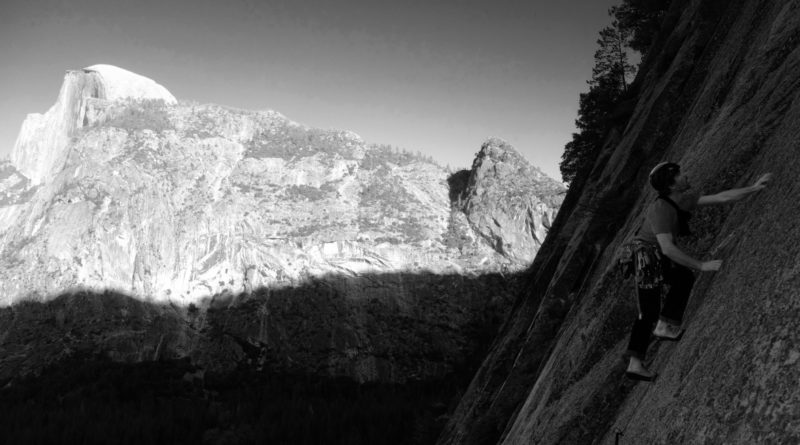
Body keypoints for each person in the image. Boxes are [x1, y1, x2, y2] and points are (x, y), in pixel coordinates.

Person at [625, 162, 773, 382]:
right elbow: (667, 248)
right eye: (680, 175)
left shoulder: (681, 200)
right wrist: (702, 265)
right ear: (671, 184)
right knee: (649, 309)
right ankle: (637, 361)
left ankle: (661, 331)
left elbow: (722, 197)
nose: (686, 176)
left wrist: (754, 187)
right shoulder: (661, 209)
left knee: (682, 279)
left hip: (654, 256)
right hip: (645, 256)